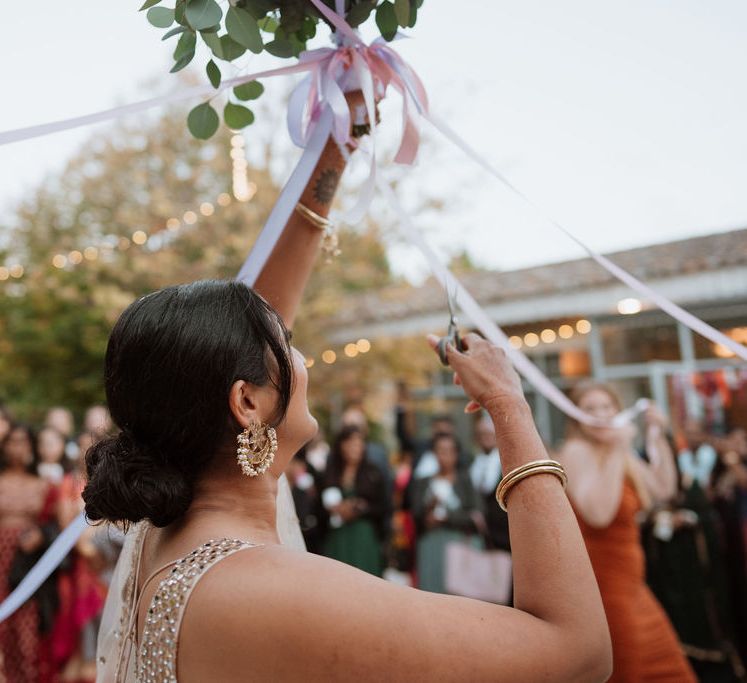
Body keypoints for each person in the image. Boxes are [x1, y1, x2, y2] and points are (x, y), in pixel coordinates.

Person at [85, 93, 611, 683]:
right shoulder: (266, 592)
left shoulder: (164, 533)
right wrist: (510, 406)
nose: (300, 353)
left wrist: (337, 142)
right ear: (247, 402)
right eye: (286, 346)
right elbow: (577, 652)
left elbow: (239, 333)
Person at [558, 382, 696, 682]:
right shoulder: (576, 451)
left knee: (671, 671)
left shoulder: (616, 453)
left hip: (634, 584)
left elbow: (663, 489)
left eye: (607, 407)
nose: (601, 415)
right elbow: (598, 514)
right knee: (627, 670)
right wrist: (619, 446)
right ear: (576, 416)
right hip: (604, 587)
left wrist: (656, 436)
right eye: (590, 409)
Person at [0, 424, 58, 683]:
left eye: (24, 441)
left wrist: (41, 536)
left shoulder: (44, 485)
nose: (18, 447)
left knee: (26, 627)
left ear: (32, 447)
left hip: (28, 563)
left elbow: (56, 525)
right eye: (13, 441)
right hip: (1, 556)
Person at [411, 432, 482, 594]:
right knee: (432, 595)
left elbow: (476, 515)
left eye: (450, 451)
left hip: (461, 545)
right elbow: (415, 515)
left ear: (456, 454)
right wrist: (428, 510)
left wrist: (446, 518)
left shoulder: (465, 481)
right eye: (441, 451)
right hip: (431, 548)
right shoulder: (423, 482)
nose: (445, 456)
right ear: (434, 454)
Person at [321, 426, 387, 575]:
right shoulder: (331, 472)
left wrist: (360, 507)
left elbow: (383, 507)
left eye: (359, 443)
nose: (355, 448)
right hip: (338, 537)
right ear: (341, 445)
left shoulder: (373, 472)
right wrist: (334, 509)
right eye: (350, 443)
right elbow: (317, 507)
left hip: (363, 538)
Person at [470, 414, 510, 551]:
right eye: (482, 434)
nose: (485, 438)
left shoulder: (506, 463)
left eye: (489, 434)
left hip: (504, 531)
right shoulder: (471, 463)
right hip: (480, 533)